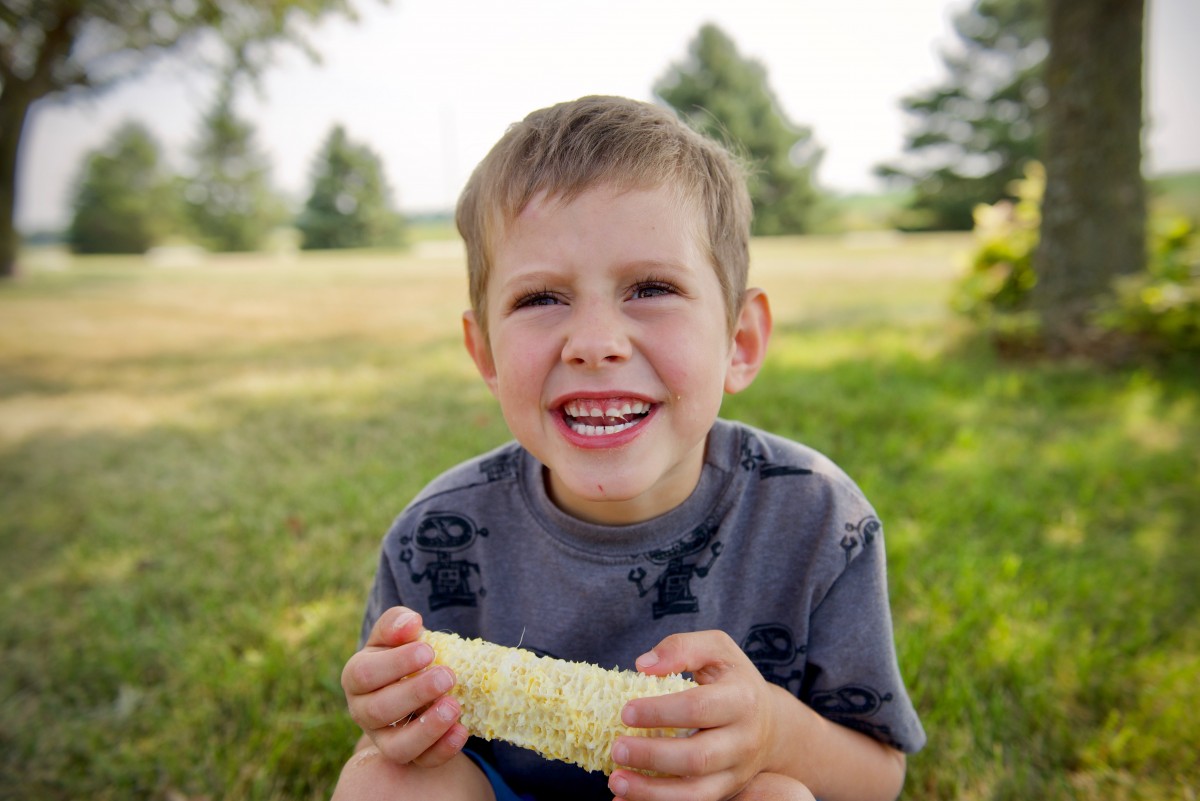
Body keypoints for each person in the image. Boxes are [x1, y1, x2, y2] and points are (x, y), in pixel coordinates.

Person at [332, 95, 925, 801]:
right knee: (385, 781)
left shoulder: (817, 518)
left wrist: (772, 731)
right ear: (484, 350)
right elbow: (396, 738)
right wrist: (389, 718)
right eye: (541, 298)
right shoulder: (437, 535)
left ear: (739, 342)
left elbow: (879, 775)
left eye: (650, 288)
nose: (595, 344)